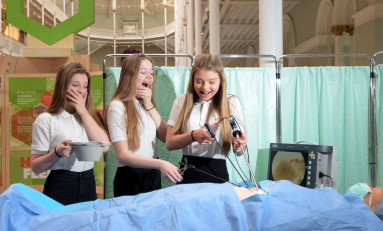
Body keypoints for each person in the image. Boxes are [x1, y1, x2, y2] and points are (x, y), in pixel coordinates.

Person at [31, 62, 110, 205]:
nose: (81, 91)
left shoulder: (90, 117)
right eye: (75, 85)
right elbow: (36, 167)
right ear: (63, 86)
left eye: (85, 86)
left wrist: (83, 111)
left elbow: (105, 147)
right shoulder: (46, 119)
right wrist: (57, 152)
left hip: (89, 182)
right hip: (60, 183)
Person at [105, 53, 183, 197]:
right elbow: (123, 155)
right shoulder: (117, 106)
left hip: (152, 175)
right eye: (143, 72)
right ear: (129, 75)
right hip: (130, 178)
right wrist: (160, 164)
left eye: (151, 73)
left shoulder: (145, 104)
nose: (149, 76)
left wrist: (149, 105)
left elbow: (167, 137)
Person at [165, 54, 247, 184]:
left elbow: (239, 149)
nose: (205, 87)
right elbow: (169, 143)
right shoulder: (182, 101)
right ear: (192, 80)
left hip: (217, 174)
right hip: (188, 173)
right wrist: (193, 135)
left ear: (221, 81)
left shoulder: (231, 103)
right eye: (199, 81)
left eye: (212, 82)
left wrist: (240, 145)